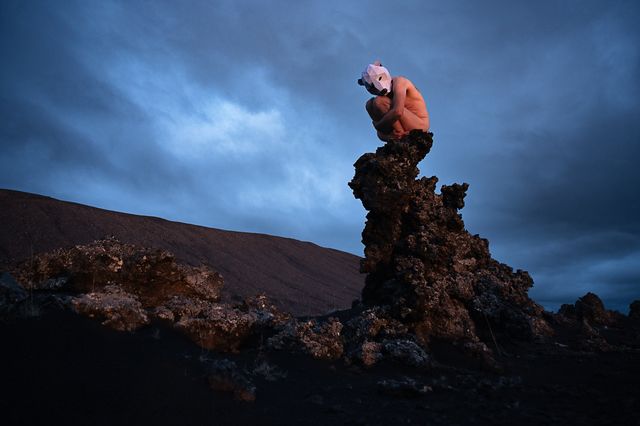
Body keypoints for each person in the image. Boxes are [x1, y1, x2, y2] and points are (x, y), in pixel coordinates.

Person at [358, 61, 430, 142]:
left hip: (419, 125)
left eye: (380, 78)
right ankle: (396, 135)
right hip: (404, 123)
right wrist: (381, 131)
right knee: (369, 105)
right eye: (373, 87)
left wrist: (378, 126)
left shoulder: (400, 82)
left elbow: (398, 111)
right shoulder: (384, 95)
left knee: (379, 102)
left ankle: (400, 133)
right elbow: (380, 134)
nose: (378, 87)